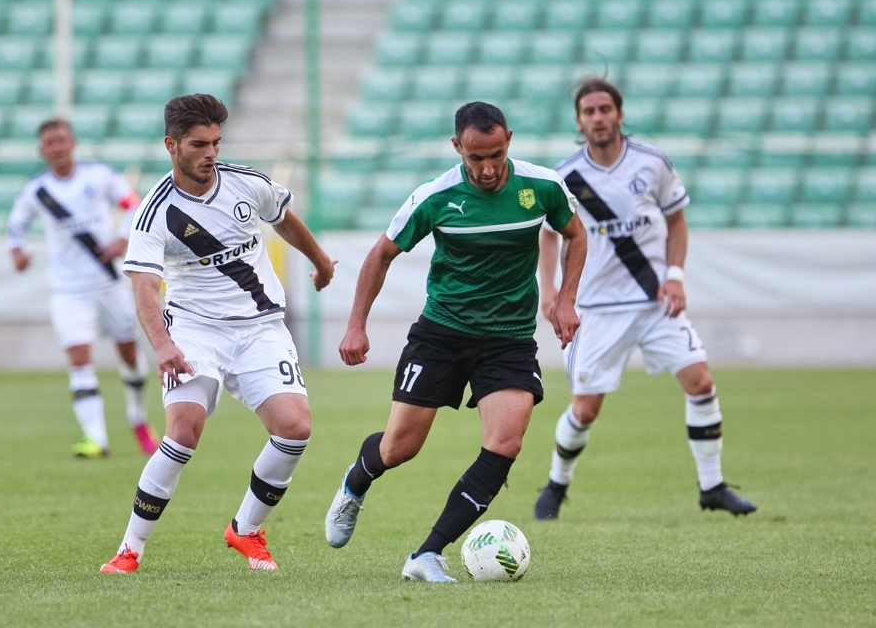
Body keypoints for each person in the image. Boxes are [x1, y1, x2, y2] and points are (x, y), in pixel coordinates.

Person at [324, 101, 587, 583]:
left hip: (508, 338)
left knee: (505, 442)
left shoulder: (542, 186)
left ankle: (427, 554)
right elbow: (381, 254)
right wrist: (355, 324)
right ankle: (354, 484)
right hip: (442, 334)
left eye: (495, 155)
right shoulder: (435, 197)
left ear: (508, 138)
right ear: (456, 148)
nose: (486, 169)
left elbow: (575, 233)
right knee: (401, 447)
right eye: (474, 159)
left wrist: (566, 298)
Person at [99, 94, 336, 574]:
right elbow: (144, 287)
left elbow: (284, 220)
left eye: (216, 143)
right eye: (199, 144)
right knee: (183, 432)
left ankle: (246, 530)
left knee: (296, 428)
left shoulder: (247, 184)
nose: (210, 153)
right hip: (193, 328)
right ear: (172, 145)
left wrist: (321, 260)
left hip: (260, 327)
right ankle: (130, 549)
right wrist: (163, 346)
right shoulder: (153, 213)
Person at [533, 78, 757, 520]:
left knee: (701, 383)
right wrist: (550, 291)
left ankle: (711, 486)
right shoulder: (564, 176)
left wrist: (674, 276)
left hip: (655, 302)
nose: (598, 117)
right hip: (595, 310)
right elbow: (546, 235)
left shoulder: (652, 164)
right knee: (586, 409)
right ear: (579, 120)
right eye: (589, 111)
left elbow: (677, 220)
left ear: (618, 114)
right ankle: (557, 483)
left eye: (605, 109)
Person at [8, 119, 159, 459]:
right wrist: (16, 252)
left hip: (108, 281)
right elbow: (16, 225)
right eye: (51, 142)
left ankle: (138, 418)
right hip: (67, 289)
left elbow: (135, 205)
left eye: (63, 139)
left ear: (73, 143)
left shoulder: (100, 176)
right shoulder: (37, 190)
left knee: (129, 352)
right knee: (79, 358)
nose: (58, 146)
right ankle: (96, 439)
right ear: (42, 150)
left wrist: (123, 238)